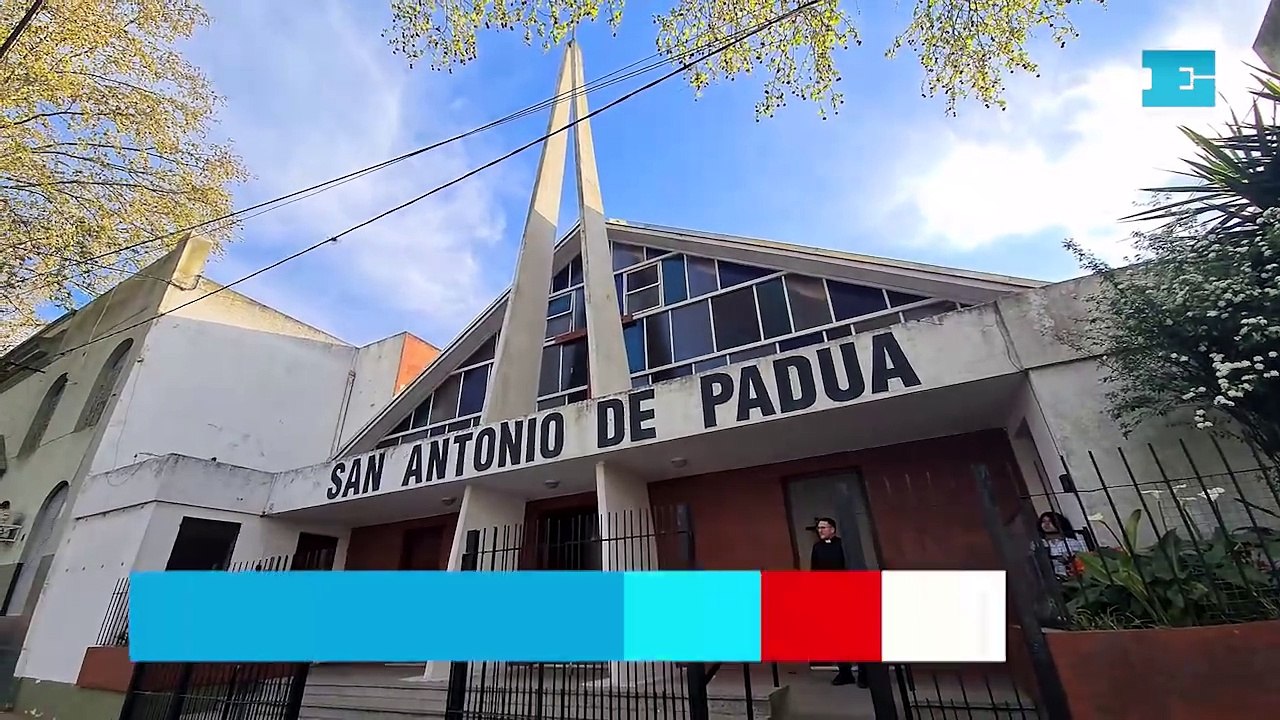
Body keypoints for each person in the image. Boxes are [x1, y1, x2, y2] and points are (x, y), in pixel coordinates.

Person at [810, 517, 867, 688]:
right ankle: (845, 672)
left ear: (833, 529)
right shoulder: (817, 547)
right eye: (818, 528)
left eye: (823, 527)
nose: (820, 530)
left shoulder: (843, 545)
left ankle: (865, 672)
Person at [1036, 511, 1088, 580]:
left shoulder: (1070, 542)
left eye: (1051, 521)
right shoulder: (1040, 543)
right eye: (1043, 521)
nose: (1046, 524)